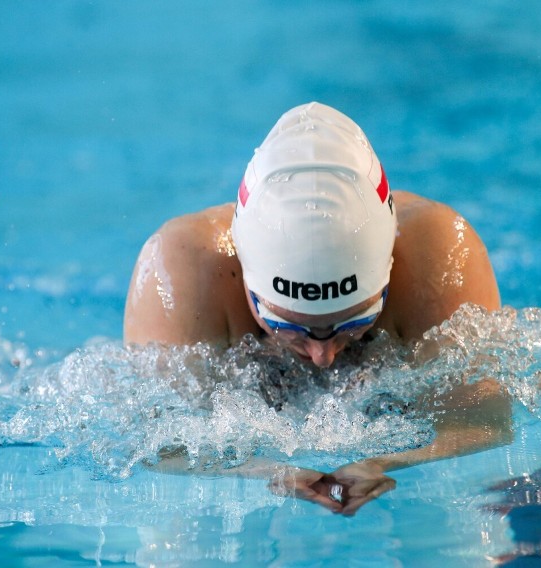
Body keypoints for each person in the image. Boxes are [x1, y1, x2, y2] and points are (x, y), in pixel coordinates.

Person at [125, 102, 510, 514]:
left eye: (354, 322)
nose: (322, 356)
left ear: (390, 269)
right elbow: (152, 444)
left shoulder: (440, 260)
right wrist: (265, 471)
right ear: (243, 271)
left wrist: (389, 463)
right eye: (286, 325)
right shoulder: (182, 271)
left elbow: (486, 424)